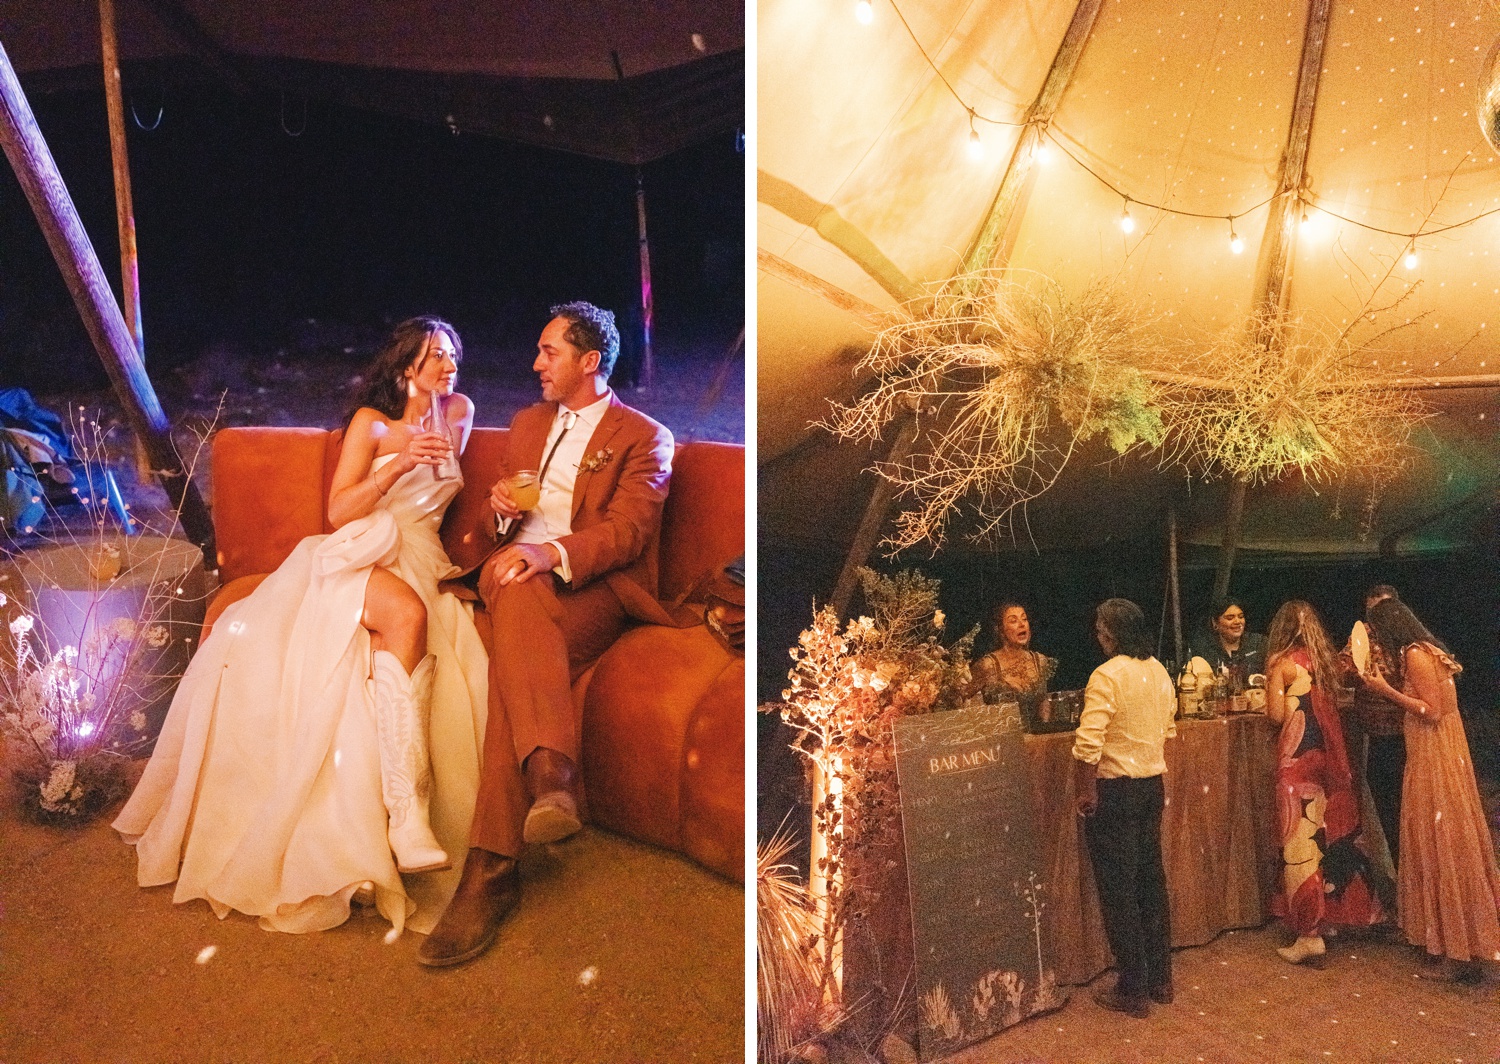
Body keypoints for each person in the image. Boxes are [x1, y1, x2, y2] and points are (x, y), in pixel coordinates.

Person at [114, 317, 489, 937]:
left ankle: (373, 824)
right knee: (405, 617)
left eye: (452, 353)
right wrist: (394, 466)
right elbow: (339, 510)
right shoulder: (372, 421)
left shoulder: (461, 411)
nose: (449, 364)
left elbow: (444, 492)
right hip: (363, 547)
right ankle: (406, 813)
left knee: (378, 656)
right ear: (405, 369)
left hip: (421, 554)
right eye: (435, 356)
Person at [418, 301, 677, 968]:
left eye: (549, 352)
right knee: (515, 591)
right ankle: (546, 782)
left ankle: (492, 871)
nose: (535, 363)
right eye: (538, 351)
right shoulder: (530, 424)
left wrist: (547, 553)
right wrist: (502, 515)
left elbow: (629, 533)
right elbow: (503, 516)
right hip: (518, 582)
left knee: (519, 590)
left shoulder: (646, 437)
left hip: (593, 590)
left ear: (589, 363)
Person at [1359, 598, 1500, 984]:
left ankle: (1453, 949)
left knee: (1439, 844)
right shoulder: (1428, 650)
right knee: (1441, 841)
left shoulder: (1417, 655)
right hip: (1439, 750)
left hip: (1434, 753)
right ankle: (1453, 941)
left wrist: (1385, 689)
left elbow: (1432, 710)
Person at [1072, 598, 1177, 1019]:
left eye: (1100, 628)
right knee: (1151, 881)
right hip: (1152, 786)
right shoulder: (1159, 671)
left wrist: (1085, 791)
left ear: (1111, 633)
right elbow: (1169, 729)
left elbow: (1088, 742)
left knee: (1119, 890)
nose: (1098, 635)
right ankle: (1161, 980)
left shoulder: (1107, 675)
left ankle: (1132, 989)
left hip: (1115, 791)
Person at [1263, 600, 1381, 967]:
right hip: (1328, 756)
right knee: (1327, 834)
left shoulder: (1280, 664)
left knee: (1299, 839)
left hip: (1297, 758)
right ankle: (1330, 915)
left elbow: (1275, 715)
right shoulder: (1325, 664)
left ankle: (1307, 933)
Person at [1342, 584, 1405, 871]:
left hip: (1410, 732)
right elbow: (1341, 672)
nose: (1378, 615)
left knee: (1410, 806)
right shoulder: (1361, 636)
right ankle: (1396, 870)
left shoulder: (1408, 638)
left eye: (1384, 607)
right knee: (1384, 807)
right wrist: (1354, 671)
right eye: (1373, 609)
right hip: (1377, 733)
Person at [969, 601, 1057, 728]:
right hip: (1002, 740)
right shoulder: (989, 664)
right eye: (1013, 621)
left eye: (1024, 619)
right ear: (1000, 629)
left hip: (1035, 738)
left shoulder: (1040, 661)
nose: (1022, 624)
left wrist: (1045, 728)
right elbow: (960, 697)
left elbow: (1043, 701)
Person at [1188, 595, 1266, 678]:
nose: (1237, 621)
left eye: (1241, 617)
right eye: (1230, 618)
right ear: (1215, 622)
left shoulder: (1259, 643)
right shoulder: (1202, 648)